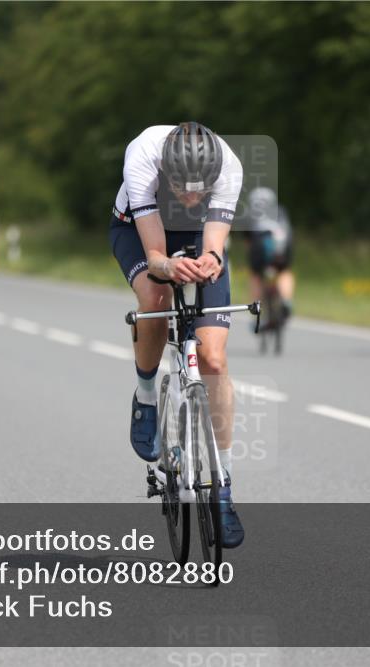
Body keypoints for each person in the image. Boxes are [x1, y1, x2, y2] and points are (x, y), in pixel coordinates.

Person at [109, 122, 245, 548]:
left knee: (213, 359)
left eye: (198, 191)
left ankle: (223, 485)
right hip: (138, 230)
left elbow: (214, 245)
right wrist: (168, 266)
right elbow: (155, 257)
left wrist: (211, 259)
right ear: (165, 173)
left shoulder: (229, 166)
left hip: (196, 232)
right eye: (181, 189)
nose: (190, 198)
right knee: (157, 295)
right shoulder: (143, 157)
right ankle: (146, 396)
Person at [245, 186, 294, 320]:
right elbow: (288, 230)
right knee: (284, 271)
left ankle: (256, 308)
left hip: (259, 245)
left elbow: (248, 241)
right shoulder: (281, 210)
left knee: (255, 275)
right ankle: (286, 300)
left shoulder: (250, 214)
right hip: (283, 244)